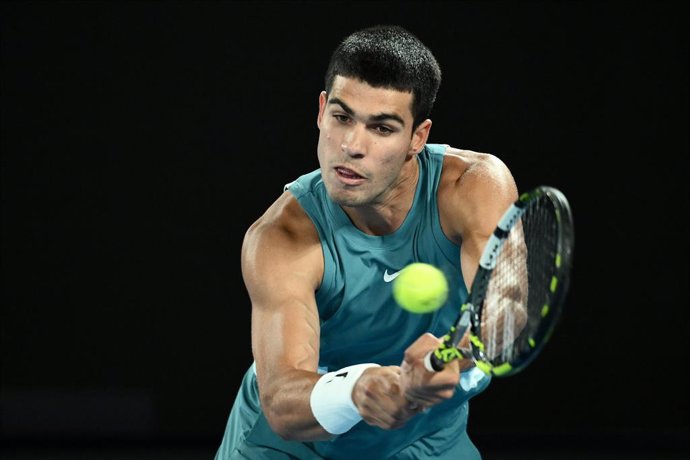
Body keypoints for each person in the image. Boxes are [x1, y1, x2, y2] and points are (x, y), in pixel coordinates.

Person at [215, 24, 518, 460]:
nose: (351, 146)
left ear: (418, 136)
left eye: (382, 128)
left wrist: (455, 358)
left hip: (425, 439)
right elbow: (282, 402)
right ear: (321, 111)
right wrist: (359, 389)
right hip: (292, 449)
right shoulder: (281, 237)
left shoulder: (474, 188)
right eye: (341, 117)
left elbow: (504, 313)